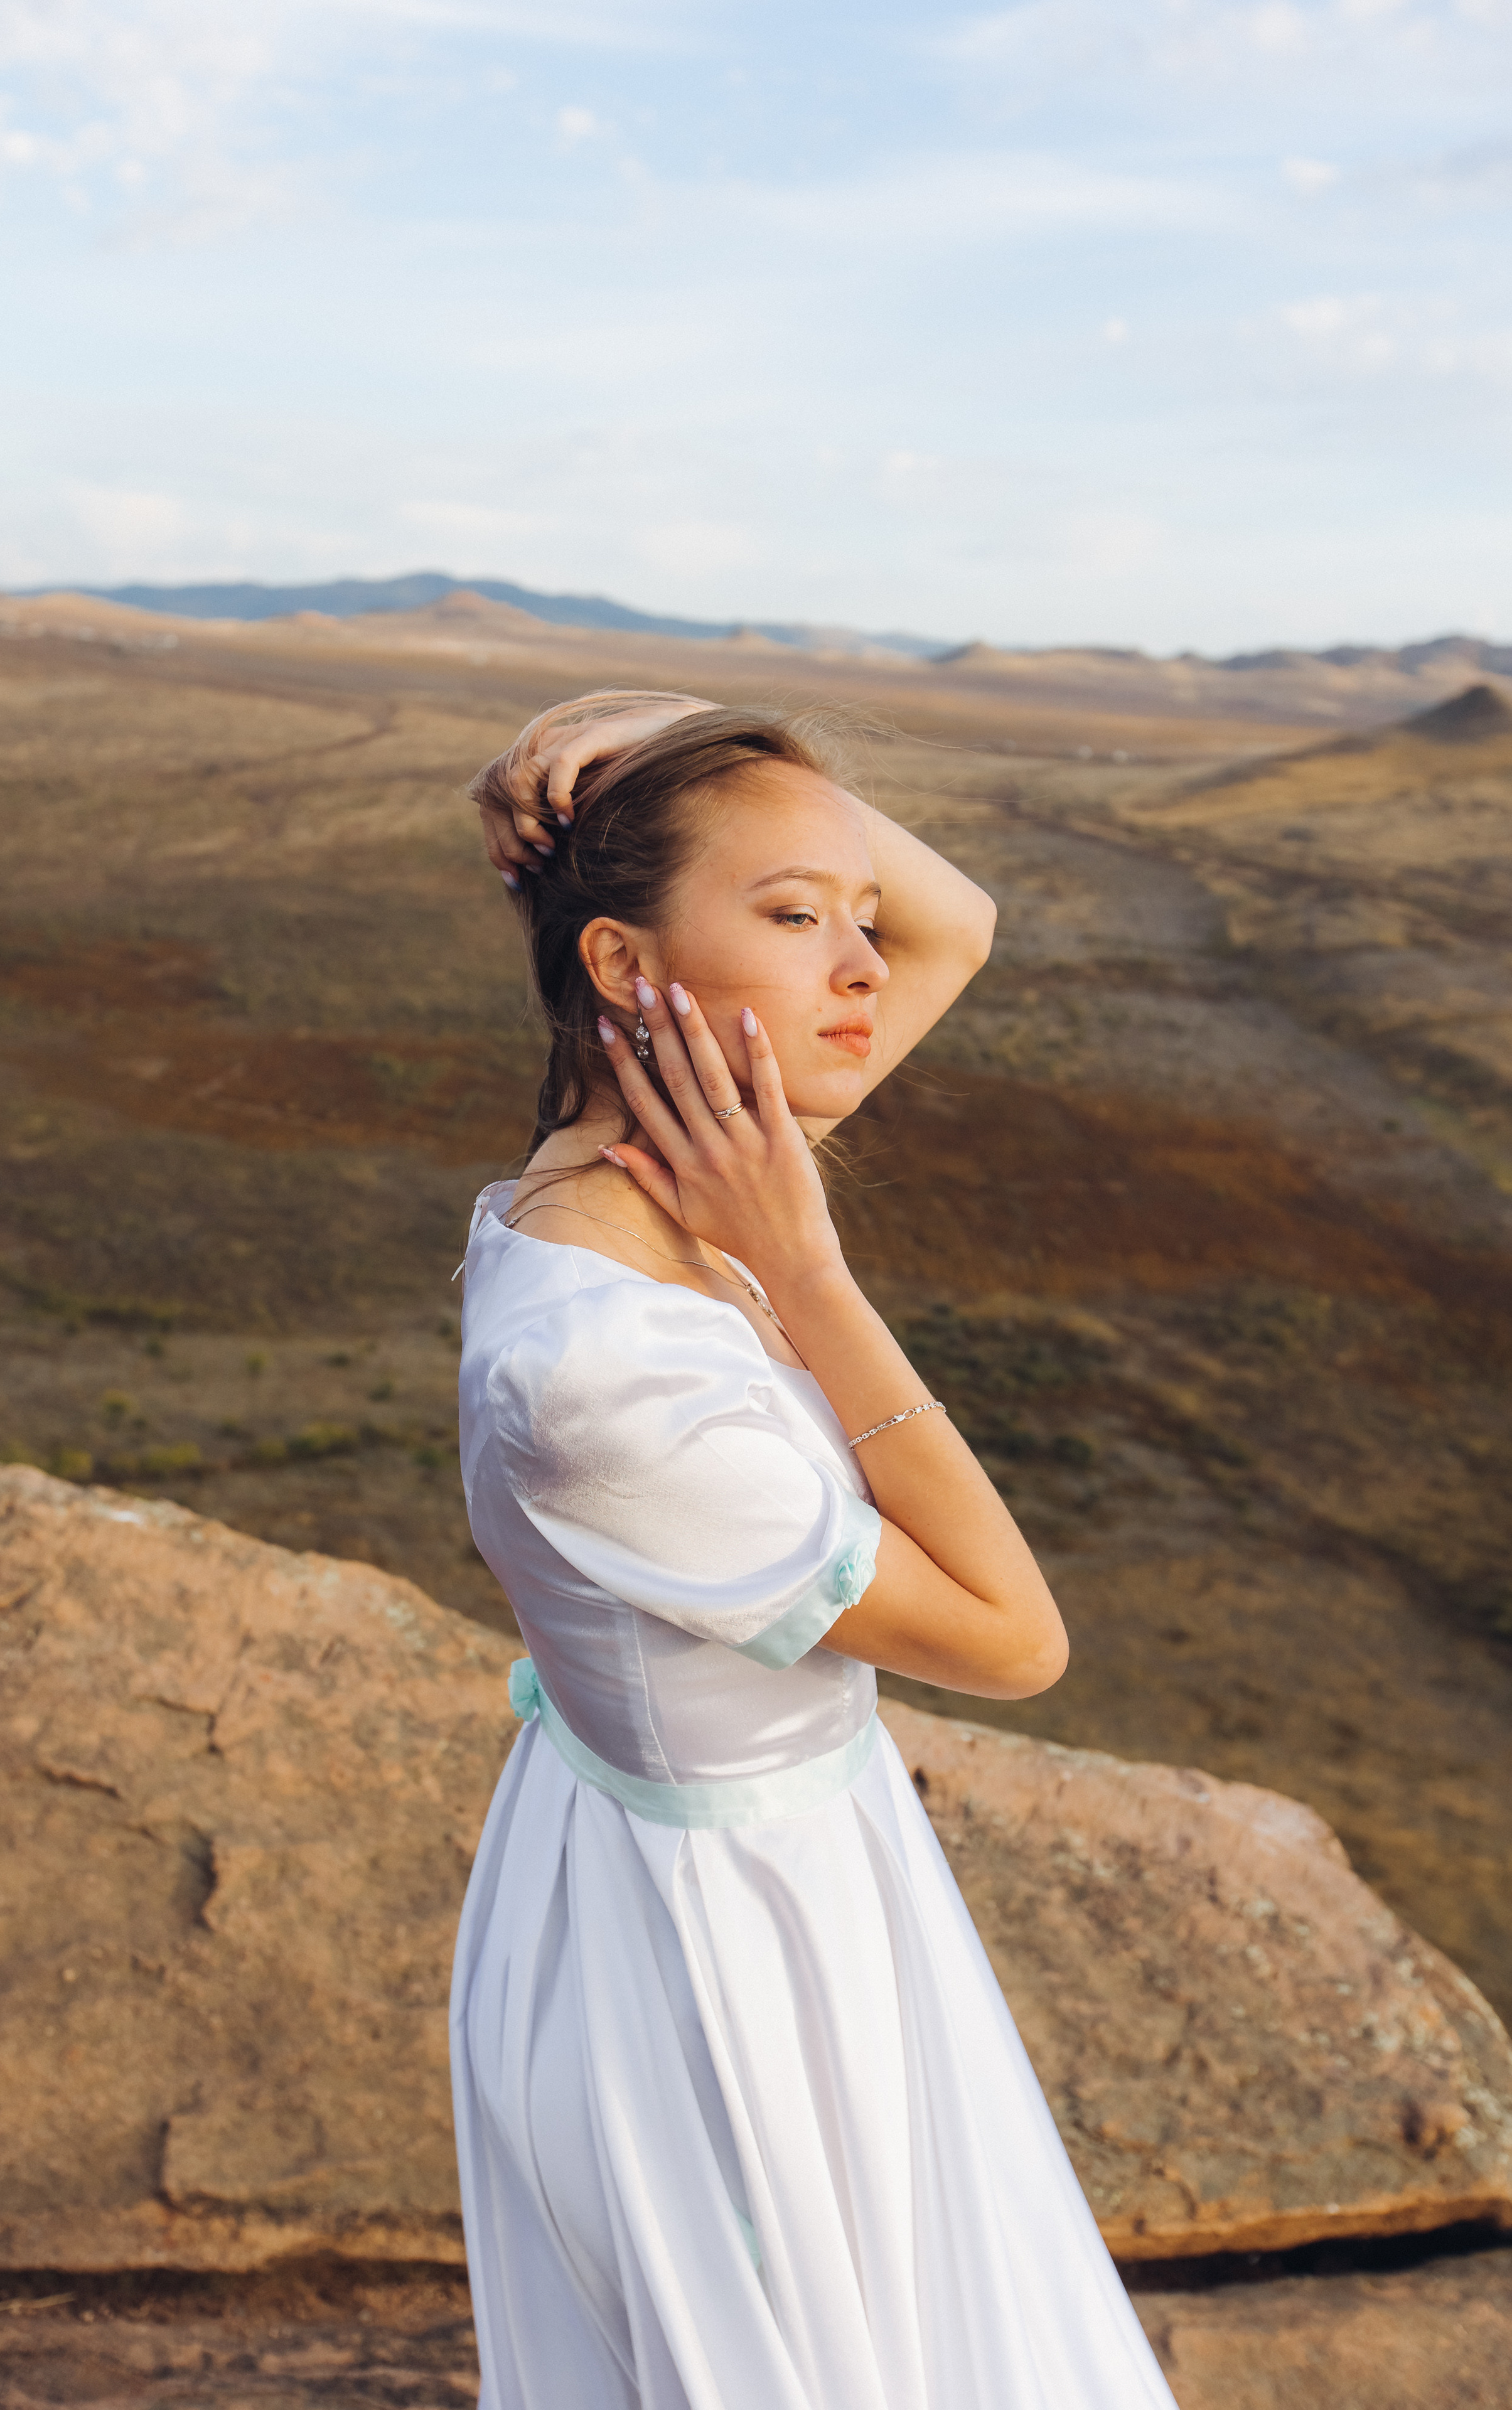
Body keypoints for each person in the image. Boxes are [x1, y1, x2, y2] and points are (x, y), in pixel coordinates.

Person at [451, 690, 1177, 2410]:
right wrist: (813, 1275)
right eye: (794, 919)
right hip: (731, 1959)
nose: (865, 966)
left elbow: (957, 922)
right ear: (625, 965)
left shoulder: (667, 1164)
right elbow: (1017, 1640)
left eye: (856, 916)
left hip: (761, 1874)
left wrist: (674, 739)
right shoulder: (611, 1374)